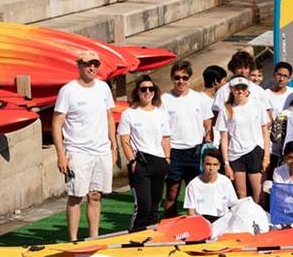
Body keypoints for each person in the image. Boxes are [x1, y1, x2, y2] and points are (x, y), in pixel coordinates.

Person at [52, 51, 117, 240]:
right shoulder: (68, 90)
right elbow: (57, 123)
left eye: (95, 64)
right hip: (78, 151)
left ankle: (93, 237)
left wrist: (113, 147)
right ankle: (73, 239)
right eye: (88, 64)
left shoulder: (103, 88)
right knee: (75, 196)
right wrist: (61, 155)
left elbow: (109, 117)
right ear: (79, 65)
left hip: (101, 150)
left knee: (95, 195)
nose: (92, 68)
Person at [161, 61, 214, 218]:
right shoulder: (164, 99)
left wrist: (208, 145)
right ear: (172, 78)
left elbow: (208, 125)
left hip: (195, 151)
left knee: (197, 191)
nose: (181, 81)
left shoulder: (200, 99)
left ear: (190, 78)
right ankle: (169, 224)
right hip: (174, 151)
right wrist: (166, 154)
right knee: (172, 192)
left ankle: (199, 223)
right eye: (177, 78)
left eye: (184, 77)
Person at [118, 75, 171, 231]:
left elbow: (166, 138)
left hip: (159, 161)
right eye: (143, 89)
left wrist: (167, 159)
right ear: (137, 92)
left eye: (151, 89)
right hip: (141, 162)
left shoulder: (161, 113)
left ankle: (151, 238)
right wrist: (132, 161)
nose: (147, 92)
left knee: (155, 207)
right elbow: (125, 140)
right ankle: (135, 236)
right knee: (143, 206)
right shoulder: (129, 113)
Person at [216, 75, 270, 202]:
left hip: (255, 151)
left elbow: (265, 133)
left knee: (259, 193)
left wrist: (266, 156)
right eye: (237, 88)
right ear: (231, 89)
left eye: (243, 88)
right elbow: (224, 138)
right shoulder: (226, 109)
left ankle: (258, 218)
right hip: (235, 155)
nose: (240, 91)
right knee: (241, 194)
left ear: (247, 90)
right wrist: (226, 163)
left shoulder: (258, 106)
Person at [182, 150, 237, 222]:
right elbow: (191, 212)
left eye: (215, 165)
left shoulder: (225, 181)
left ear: (219, 166)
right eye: (208, 164)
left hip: (222, 220)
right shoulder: (193, 184)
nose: (211, 168)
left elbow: (234, 205)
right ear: (202, 165)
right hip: (201, 221)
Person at [213, 50, 269, 118]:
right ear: (233, 69)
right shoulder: (222, 91)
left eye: (246, 68)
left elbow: (268, 117)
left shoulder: (259, 90)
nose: (243, 71)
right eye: (239, 68)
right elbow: (216, 117)